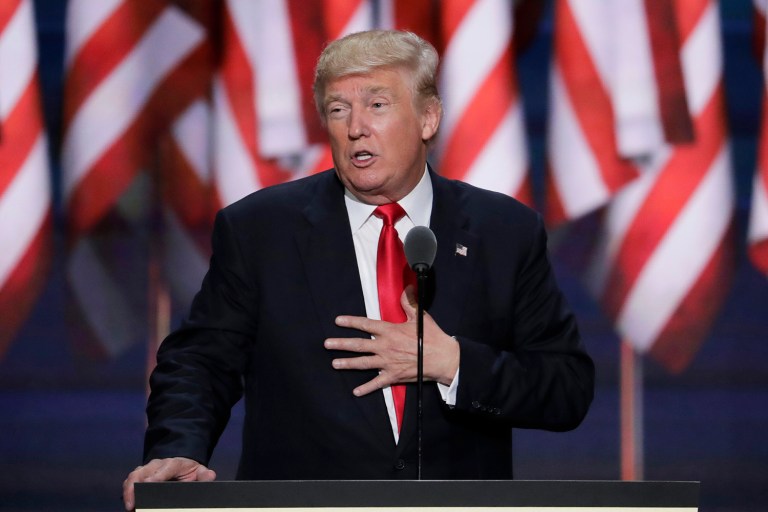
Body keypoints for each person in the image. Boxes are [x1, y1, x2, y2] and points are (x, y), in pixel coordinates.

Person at [123, 29, 594, 511]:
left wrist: (453, 363)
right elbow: (200, 362)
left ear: (428, 117)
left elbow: (565, 387)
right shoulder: (261, 230)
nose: (355, 128)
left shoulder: (503, 232)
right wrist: (176, 449)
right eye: (338, 109)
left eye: (377, 105)